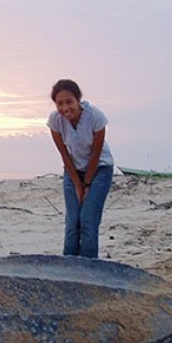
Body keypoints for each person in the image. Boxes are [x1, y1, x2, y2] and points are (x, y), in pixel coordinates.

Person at [46, 79, 115, 258]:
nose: (65, 107)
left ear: (78, 100)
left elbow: (95, 154)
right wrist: (77, 184)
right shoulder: (55, 121)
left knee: (88, 221)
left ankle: (89, 268)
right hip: (73, 170)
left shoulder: (96, 118)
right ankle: (68, 267)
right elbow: (64, 155)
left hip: (99, 169)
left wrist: (87, 184)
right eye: (59, 103)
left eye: (69, 101)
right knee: (72, 222)